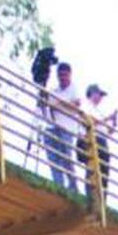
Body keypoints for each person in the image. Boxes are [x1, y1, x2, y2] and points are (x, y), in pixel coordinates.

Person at [42, 62, 80, 192]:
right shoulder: (54, 91)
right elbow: (49, 107)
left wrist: (59, 104)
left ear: (70, 75)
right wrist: (62, 105)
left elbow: (76, 106)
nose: (63, 78)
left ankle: (73, 186)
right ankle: (59, 185)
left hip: (67, 129)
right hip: (54, 127)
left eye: (65, 75)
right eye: (60, 75)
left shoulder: (74, 89)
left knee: (67, 158)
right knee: (54, 158)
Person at [76, 83, 117, 195]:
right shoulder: (86, 105)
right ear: (93, 93)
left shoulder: (98, 110)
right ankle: (91, 195)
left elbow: (108, 131)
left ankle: (102, 197)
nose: (101, 97)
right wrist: (108, 118)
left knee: (103, 172)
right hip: (91, 138)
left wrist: (113, 122)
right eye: (99, 94)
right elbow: (90, 122)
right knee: (92, 168)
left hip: (102, 140)